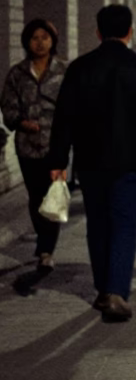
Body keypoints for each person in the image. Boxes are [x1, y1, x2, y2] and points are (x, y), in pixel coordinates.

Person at [48, 5, 136, 322]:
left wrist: (58, 159)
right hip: (131, 159)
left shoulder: (80, 68)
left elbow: (64, 117)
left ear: (98, 32)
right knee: (124, 223)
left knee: (98, 223)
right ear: (130, 31)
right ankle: (117, 291)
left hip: (91, 159)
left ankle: (104, 288)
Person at [1, 19, 68, 274]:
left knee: (53, 195)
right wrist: (20, 122)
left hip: (56, 145)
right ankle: (43, 239)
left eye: (45, 37)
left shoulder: (64, 70)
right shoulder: (17, 74)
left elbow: (73, 105)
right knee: (36, 196)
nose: (40, 43)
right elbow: (8, 106)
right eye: (34, 38)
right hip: (27, 146)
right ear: (27, 42)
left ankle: (46, 249)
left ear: (53, 41)